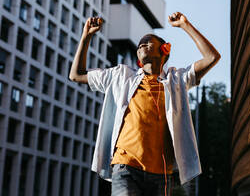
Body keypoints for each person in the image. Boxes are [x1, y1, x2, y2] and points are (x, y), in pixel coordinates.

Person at [69, 12, 221, 196]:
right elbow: (76, 74)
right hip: (125, 167)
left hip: (162, 175)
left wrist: (185, 25)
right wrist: (87, 36)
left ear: (165, 50)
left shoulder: (177, 80)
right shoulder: (120, 75)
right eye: (140, 44)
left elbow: (212, 57)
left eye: (148, 41)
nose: (141, 44)